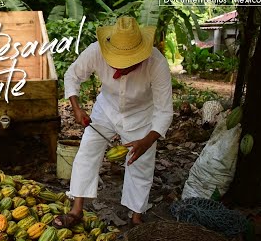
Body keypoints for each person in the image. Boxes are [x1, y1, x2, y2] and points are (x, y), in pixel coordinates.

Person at [52, 16, 173, 227]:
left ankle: (136, 216)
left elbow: (164, 111)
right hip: (105, 109)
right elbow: (72, 75)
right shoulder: (96, 51)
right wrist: (76, 108)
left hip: (141, 115)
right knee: (87, 151)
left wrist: (147, 141)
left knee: (141, 163)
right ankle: (77, 209)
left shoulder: (156, 62)